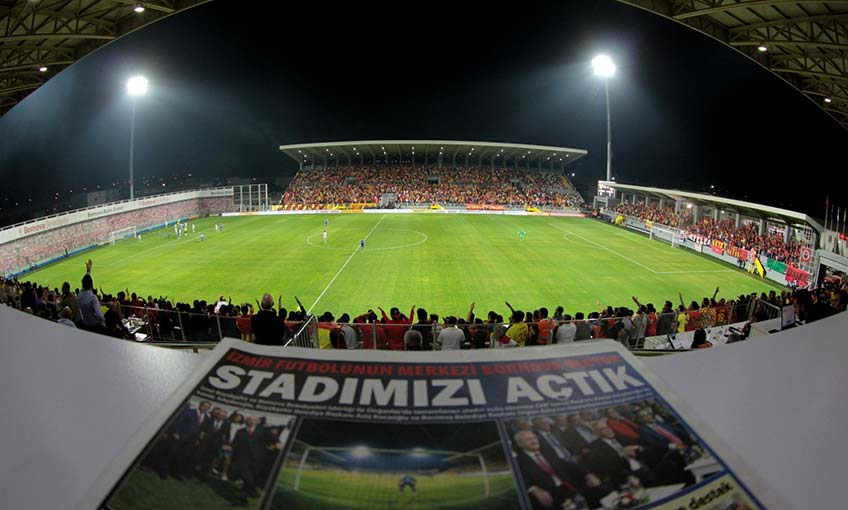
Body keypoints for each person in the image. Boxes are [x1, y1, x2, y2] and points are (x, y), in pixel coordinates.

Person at [78, 259, 106, 332]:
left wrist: (88, 271)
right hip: (95, 327)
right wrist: (105, 325)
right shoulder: (93, 298)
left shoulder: (80, 295)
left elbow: (85, 284)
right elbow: (99, 315)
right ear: (92, 285)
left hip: (85, 325)